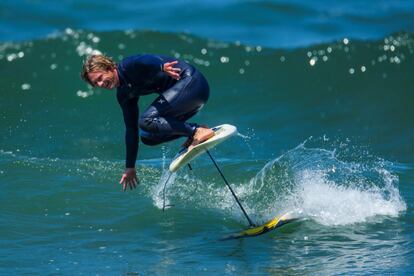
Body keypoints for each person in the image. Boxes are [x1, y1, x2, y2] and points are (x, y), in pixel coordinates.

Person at [81, 54, 214, 191]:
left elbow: (145, 60)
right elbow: (131, 130)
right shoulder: (124, 94)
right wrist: (130, 167)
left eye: (100, 78)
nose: (100, 84)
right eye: (96, 84)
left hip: (193, 84)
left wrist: (161, 67)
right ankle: (194, 132)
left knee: (147, 120)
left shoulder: (127, 66)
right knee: (148, 137)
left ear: (109, 68)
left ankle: (196, 131)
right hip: (186, 99)